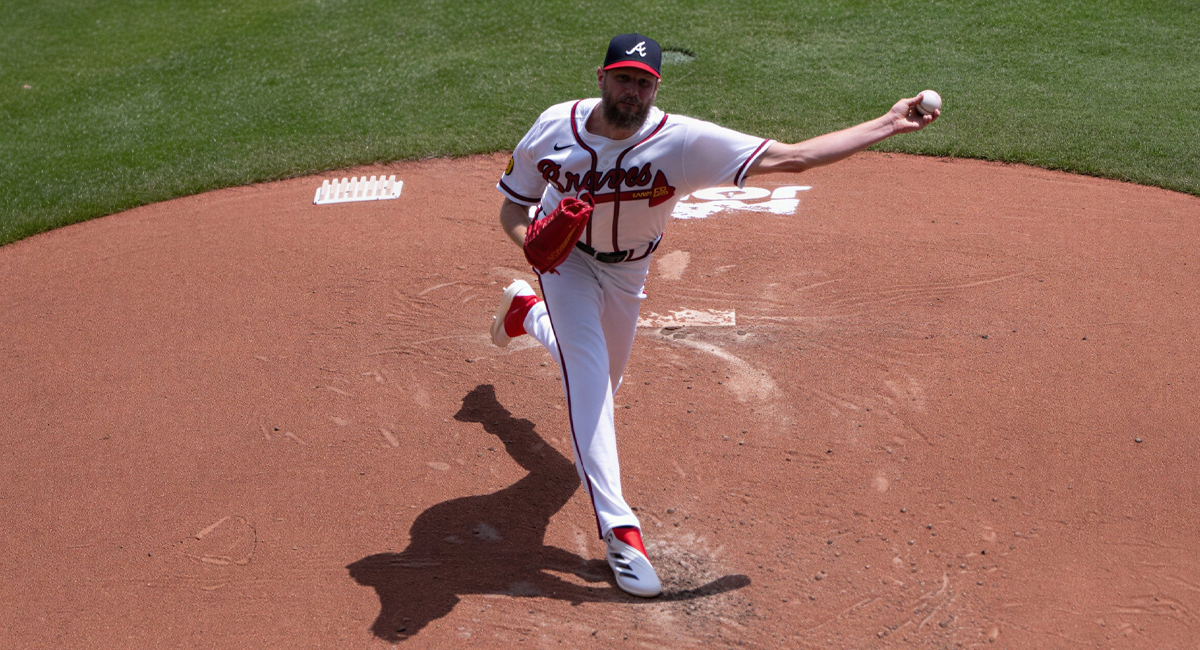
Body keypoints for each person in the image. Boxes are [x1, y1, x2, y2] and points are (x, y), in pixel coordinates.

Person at [491, 33, 938, 597]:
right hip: (566, 267)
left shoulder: (681, 141)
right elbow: (514, 203)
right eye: (624, 79)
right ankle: (621, 533)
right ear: (601, 78)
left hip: (630, 271)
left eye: (644, 83)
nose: (633, 92)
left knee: (602, 380)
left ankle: (526, 315)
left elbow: (793, 157)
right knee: (589, 381)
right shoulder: (556, 125)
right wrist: (531, 247)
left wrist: (888, 124)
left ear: (657, 88)